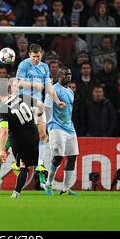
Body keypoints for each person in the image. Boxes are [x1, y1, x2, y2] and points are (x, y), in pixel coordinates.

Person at [16, 43, 65, 186]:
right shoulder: (24, 65)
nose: (36, 59)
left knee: (43, 134)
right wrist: (34, 85)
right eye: (33, 57)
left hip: (38, 104)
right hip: (24, 103)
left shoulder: (44, 67)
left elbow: (49, 86)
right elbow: (18, 82)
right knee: (25, 137)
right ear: (29, 55)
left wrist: (57, 101)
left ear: (41, 54)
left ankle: (40, 164)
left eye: (38, 57)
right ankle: (19, 161)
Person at [0, 81, 45, 198]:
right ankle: (43, 177)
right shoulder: (22, 97)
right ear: (9, 91)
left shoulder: (3, 108)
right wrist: (40, 116)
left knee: (23, 165)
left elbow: (4, 131)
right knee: (30, 164)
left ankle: (16, 193)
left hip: (20, 139)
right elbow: (41, 106)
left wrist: (2, 150)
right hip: (34, 135)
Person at [44, 67, 79, 196]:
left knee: (72, 157)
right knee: (58, 157)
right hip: (56, 126)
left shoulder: (70, 91)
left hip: (69, 128)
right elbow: (47, 108)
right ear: (59, 75)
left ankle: (65, 189)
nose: (69, 76)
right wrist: (48, 128)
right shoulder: (52, 90)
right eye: (66, 74)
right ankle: (48, 184)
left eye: (70, 74)